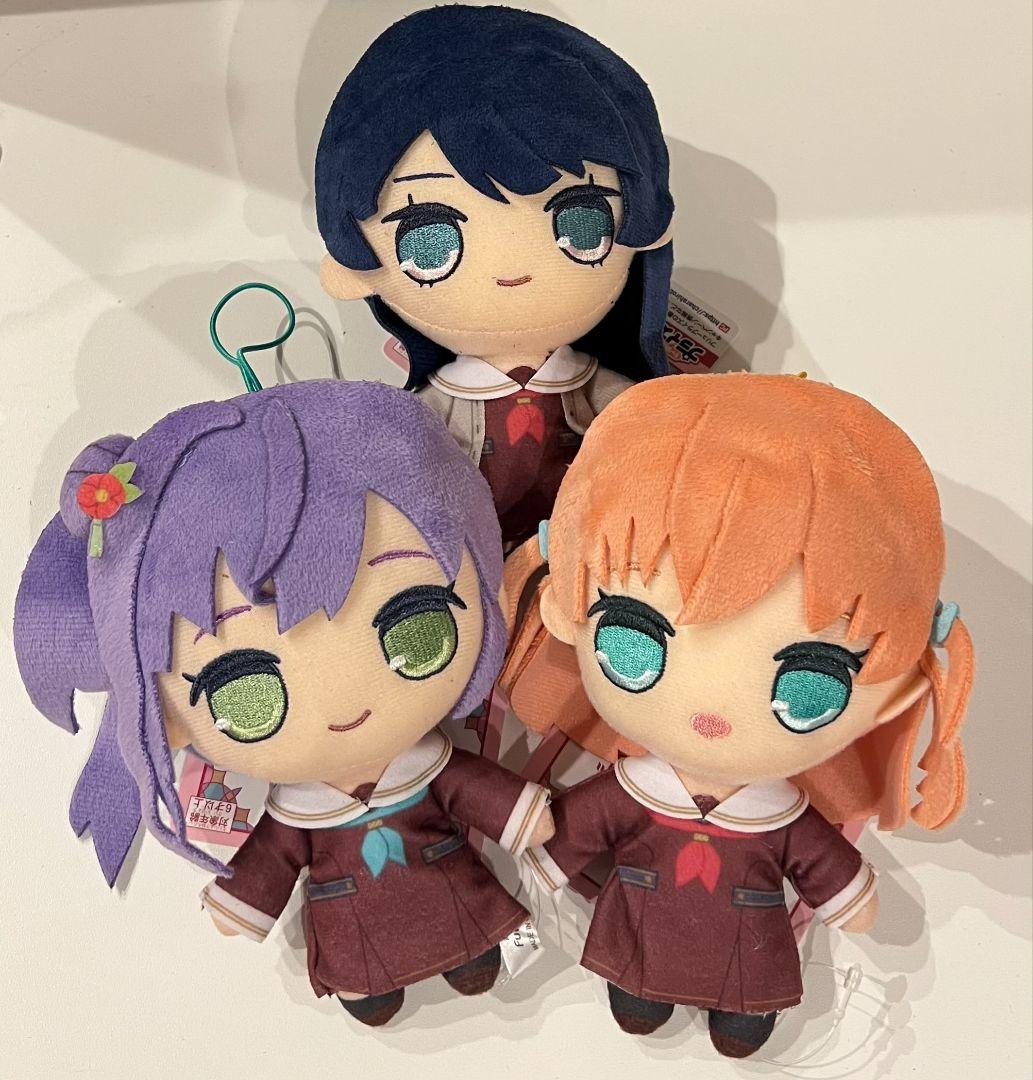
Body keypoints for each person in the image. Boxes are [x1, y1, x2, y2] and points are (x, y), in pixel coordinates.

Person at [15, 380, 553, 1025]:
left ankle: (476, 955)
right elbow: (272, 860)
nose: (344, 701)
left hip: (457, 899)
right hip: (355, 932)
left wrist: (525, 816)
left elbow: (479, 793)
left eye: (418, 630)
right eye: (247, 694)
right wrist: (241, 902)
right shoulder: (299, 814)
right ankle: (369, 982)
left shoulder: (428, 770)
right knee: (367, 981)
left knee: (476, 948)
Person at [509, 373, 974, 1057]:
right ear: (563, 613)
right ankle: (646, 992)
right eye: (633, 644)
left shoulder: (781, 815)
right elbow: (578, 830)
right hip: (636, 937)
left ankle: (736, 1010)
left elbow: (821, 864)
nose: (713, 708)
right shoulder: (635, 791)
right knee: (636, 998)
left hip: (747, 953)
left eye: (811, 685)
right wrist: (546, 863)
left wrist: (847, 898)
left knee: (742, 1016)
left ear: (899, 691)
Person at [314, 5, 675, 547]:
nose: (512, 269)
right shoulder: (430, 407)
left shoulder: (599, 388)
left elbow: (649, 435)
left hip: (591, 558)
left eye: (581, 221)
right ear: (355, 269)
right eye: (429, 238)